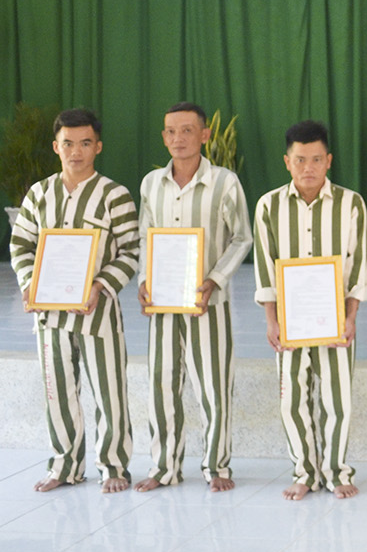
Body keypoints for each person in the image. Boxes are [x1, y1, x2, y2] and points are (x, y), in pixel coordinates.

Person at [9, 108, 139, 493]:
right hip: (49, 317)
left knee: (109, 392)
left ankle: (114, 467)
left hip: (97, 315)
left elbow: (131, 251)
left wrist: (99, 285)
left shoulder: (115, 195)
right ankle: (64, 466)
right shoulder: (39, 194)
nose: (76, 151)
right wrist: (31, 283)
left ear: (97, 147)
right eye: (68, 143)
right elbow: (21, 245)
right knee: (58, 392)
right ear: (56, 147)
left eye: (85, 143)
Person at [134, 102, 253, 493]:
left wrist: (215, 281)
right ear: (163, 136)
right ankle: (164, 466)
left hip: (209, 304)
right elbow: (145, 237)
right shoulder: (152, 183)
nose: (178, 139)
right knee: (161, 383)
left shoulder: (224, 181)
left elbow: (242, 238)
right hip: (164, 304)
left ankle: (216, 465)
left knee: (214, 386)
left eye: (187, 131)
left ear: (204, 135)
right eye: (170, 131)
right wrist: (146, 279)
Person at [253, 121, 367, 501]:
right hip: (290, 322)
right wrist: (271, 320)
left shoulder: (351, 204)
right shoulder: (269, 206)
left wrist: (351, 316)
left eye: (317, 159)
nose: (309, 168)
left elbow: (358, 266)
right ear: (287, 162)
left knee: (338, 400)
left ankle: (338, 471)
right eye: (300, 160)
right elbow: (265, 267)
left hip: (335, 319)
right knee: (292, 400)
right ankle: (304, 471)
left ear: (329, 161)